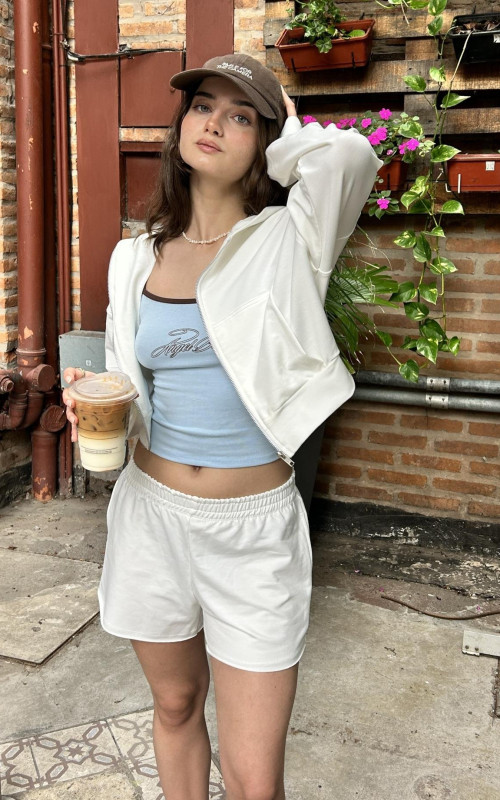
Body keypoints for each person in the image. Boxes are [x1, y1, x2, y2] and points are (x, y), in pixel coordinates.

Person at [63, 53, 381, 800]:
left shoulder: (291, 240)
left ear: (264, 141)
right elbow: (133, 385)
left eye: (241, 116)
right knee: (175, 705)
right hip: (151, 517)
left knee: (253, 780)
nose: (213, 124)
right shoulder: (132, 257)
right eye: (203, 106)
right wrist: (96, 399)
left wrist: (284, 135)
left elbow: (348, 157)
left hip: (253, 531)